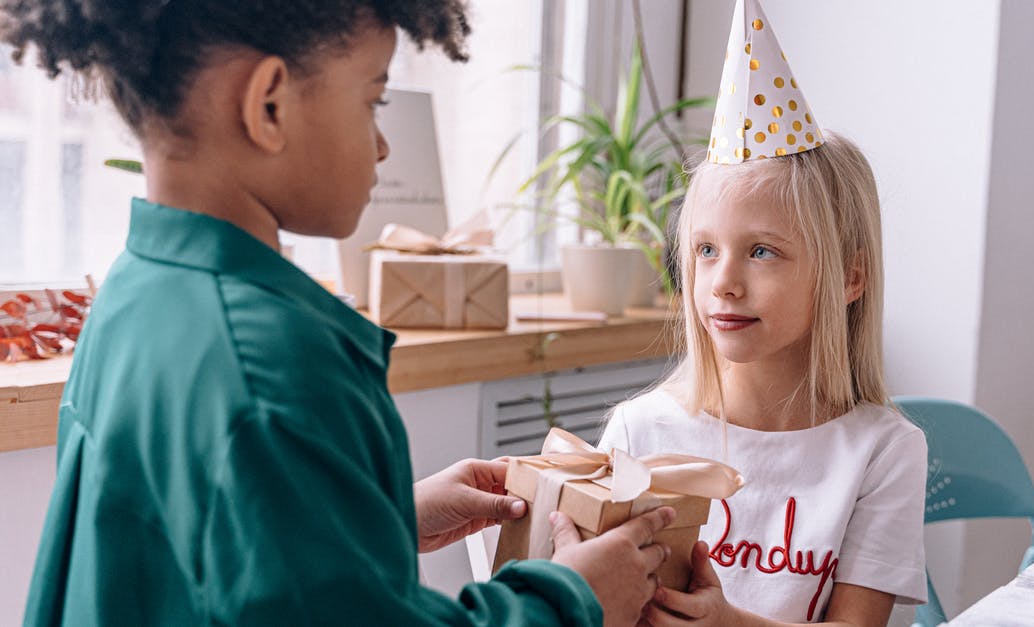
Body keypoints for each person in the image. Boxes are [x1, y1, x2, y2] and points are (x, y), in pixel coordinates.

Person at [0, 1, 672, 625]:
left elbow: (195, 547)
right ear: (268, 105)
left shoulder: (137, 289)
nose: (382, 146)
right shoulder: (272, 362)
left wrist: (376, 518)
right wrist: (572, 598)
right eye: (373, 100)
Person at [597, 3, 927, 625]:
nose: (723, 283)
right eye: (704, 250)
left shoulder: (883, 453)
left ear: (850, 276)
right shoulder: (638, 436)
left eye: (762, 252)